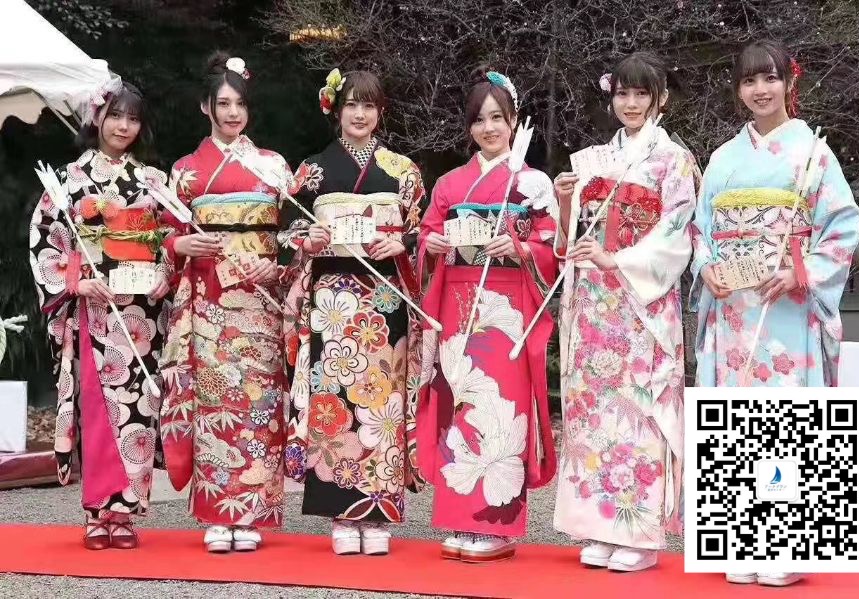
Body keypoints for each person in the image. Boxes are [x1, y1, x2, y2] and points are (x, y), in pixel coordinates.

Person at [689, 40, 859, 587]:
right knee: (735, 418)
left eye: (770, 78)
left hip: (787, 304)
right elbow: (700, 228)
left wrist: (800, 273)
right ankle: (739, 542)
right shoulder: (722, 157)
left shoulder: (814, 153)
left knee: (788, 419)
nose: (760, 90)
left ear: (790, 82)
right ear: (738, 89)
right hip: (734, 307)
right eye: (749, 81)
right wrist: (706, 267)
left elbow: (842, 226)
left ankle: (787, 546)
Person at [551, 51, 698, 573]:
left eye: (642, 94)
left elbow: (677, 235)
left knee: (639, 412)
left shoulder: (674, 161)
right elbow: (569, 240)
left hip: (640, 303)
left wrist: (618, 259)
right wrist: (564, 202)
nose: (631, 103)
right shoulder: (594, 159)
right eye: (623, 94)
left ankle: (638, 534)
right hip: (594, 303)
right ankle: (598, 526)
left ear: (661, 98)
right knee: (594, 414)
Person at [280, 69, 425, 556]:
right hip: (332, 301)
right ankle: (340, 513)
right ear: (336, 110)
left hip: (383, 299)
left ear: (380, 112)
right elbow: (286, 229)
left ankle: (379, 510)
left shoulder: (403, 171)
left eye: (369, 105)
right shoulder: (313, 170)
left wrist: (401, 243)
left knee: (382, 403)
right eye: (351, 105)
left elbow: (422, 231)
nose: (360, 115)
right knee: (335, 401)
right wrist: (308, 239)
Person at [416, 69, 558, 563]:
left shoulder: (532, 183)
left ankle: (496, 526)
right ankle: (460, 519)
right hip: (457, 301)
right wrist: (433, 245)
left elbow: (551, 243)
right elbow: (427, 234)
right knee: (460, 402)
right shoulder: (450, 183)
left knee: (502, 406)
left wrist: (521, 247)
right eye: (479, 120)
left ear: (514, 121)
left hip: (507, 306)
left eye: (498, 118)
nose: (489, 128)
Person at [158, 52, 293, 553]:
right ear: (206, 107)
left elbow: (295, 232)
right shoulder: (185, 172)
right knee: (214, 403)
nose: (233, 113)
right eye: (224, 104)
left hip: (259, 301)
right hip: (207, 301)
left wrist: (277, 265)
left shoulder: (274, 167)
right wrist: (182, 244)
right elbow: (162, 235)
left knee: (258, 403)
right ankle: (217, 513)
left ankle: (253, 510)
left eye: (240, 104)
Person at [29, 80, 170, 550]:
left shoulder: (153, 181)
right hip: (94, 312)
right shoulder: (67, 181)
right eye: (115, 116)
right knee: (96, 407)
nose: (124, 126)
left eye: (133, 118)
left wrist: (164, 273)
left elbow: (171, 239)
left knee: (138, 407)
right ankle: (96, 511)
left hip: (141, 315)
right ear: (97, 119)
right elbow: (47, 241)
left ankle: (125, 514)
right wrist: (75, 282)